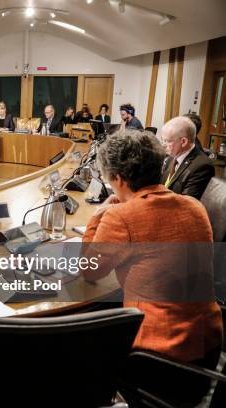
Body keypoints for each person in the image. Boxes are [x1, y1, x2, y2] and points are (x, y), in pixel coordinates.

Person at [80, 130, 222, 405]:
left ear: (118, 179)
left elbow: (89, 271)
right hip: (209, 347)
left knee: (84, 347)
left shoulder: (120, 215)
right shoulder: (194, 206)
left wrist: (98, 216)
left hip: (160, 361)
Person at [160, 116, 214, 200]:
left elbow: (185, 203)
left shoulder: (202, 166)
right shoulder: (171, 157)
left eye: (168, 141)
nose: (163, 145)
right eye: (162, 140)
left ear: (184, 142)